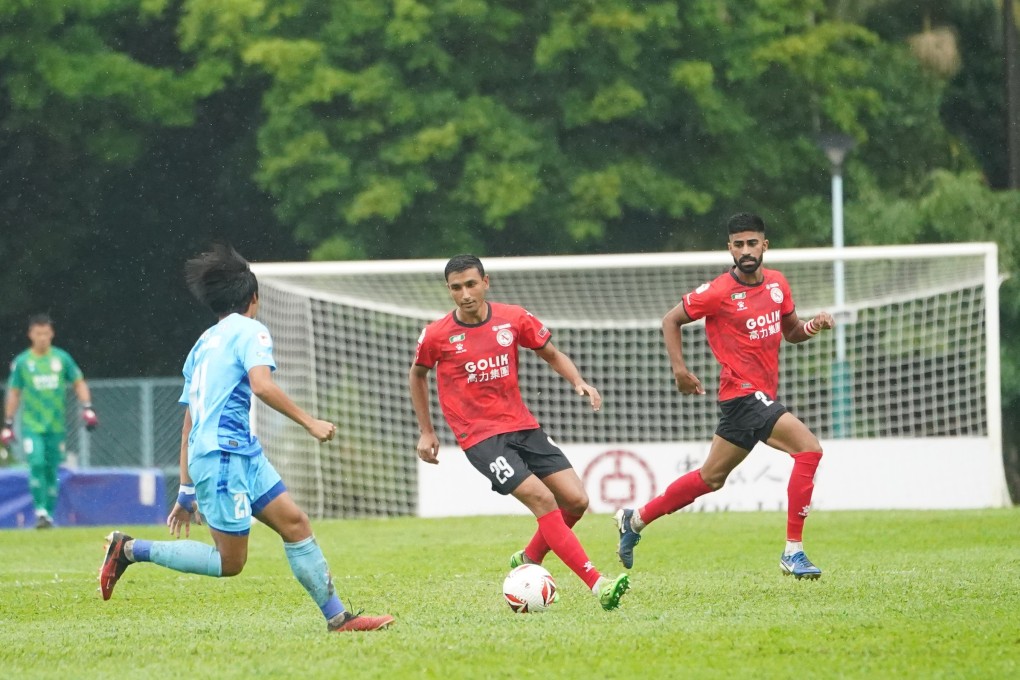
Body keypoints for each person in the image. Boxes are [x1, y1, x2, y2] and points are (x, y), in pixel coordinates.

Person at [99, 244, 393, 632]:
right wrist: (310, 422)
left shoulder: (202, 344)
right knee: (230, 562)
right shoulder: (251, 330)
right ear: (254, 297)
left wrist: (186, 488)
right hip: (223, 455)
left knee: (295, 524)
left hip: (238, 452)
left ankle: (338, 619)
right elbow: (262, 385)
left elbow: (190, 420)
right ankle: (130, 549)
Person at [615, 213, 834, 579]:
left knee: (709, 479)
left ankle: (634, 520)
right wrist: (680, 371)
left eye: (752, 243)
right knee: (809, 449)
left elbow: (791, 331)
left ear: (765, 245)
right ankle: (793, 552)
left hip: (755, 398)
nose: (745, 251)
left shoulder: (778, 284)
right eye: (738, 244)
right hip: (741, 395)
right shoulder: (718, 291)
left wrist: (815, 325)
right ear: (729, 248)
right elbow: (671, 320)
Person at [409, 254, 630, 611]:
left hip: (523, 425)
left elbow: (551, 353)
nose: (465, 294)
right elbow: (417, 374)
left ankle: (529, 556)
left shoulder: (513, 318)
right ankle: (598, 584)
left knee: (576, 501)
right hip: (480, 437)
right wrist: (426, 431)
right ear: (448, 290)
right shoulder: (436, 335)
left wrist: (579, 382)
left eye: (470, 284)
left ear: (486, 282)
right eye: (456, 287)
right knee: (543, 500)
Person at [2, 314, 99, 529]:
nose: (43, 338)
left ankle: (48, 515)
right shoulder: (23, 362)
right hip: (32, 425)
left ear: (52, 334)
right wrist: (8, 423)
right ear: (30, 335)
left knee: (52, 469)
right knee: (36, 463)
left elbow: (78, 382)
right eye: (38, 333)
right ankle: (40, 511)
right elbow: (14, 393)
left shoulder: (61, 359)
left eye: (46, 333)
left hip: (56, 426)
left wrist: (87, 408)